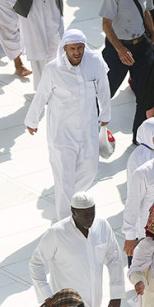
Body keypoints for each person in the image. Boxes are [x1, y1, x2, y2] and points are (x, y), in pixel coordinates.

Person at [28, 190, 125, 307]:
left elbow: (114, 258)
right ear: (73, 212)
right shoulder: (56, 233)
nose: (90, 217)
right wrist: (49, 299)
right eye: (85, 214)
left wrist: (117, 293)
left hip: (94, 300)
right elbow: (36, 264)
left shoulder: (102, 226)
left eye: (93, 211)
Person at [25, 30, 110, 220]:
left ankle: (70, 201)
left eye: (80, 47)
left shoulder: (94, 61)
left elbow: (104, 88)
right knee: (64, 178)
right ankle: (64, 221)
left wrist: (105, 113)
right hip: (61, 133)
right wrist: (32, 120)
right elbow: (41, 96)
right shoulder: (52, 69)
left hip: (88, 128)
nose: (77, 52)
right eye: (72, 48)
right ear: (65, 49)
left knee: (90, 170)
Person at [100, 0, 154, 135]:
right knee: (107, 90)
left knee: (145, 93)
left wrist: (153, 33)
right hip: (119, 48)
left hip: (141, 45)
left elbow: (146, 11)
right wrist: (121, 49)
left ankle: (140, 136)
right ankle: (91, 126)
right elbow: (106, 24)